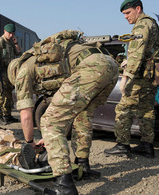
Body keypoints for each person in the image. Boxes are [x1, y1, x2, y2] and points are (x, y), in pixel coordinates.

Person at [8, 30, 119, 194]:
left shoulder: (23, 70)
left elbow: (26, 114)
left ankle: (64, 185)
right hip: (110, 65)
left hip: (91, 67)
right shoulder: (41, 61)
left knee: (49, 121)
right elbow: (66, 106)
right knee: (82, 115)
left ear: (14, 73)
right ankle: (83, 166)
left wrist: (30, 142)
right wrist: (49, 139)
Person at [104, 0, 159, 159]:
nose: (125, 17)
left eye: (128, 13)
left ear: (138, 9)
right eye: (124, 14)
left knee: (123, 109)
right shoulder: (152, 24)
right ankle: (146, 146)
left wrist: (125, 77)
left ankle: (122, 145)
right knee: (146, 112)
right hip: (150, 78)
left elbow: (137, 54)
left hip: (139, 79)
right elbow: (146, 52)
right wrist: (128, 59)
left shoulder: (142, 25)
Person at [0, 23, 22, 125]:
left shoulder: (11, 43)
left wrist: (16, 43)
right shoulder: (0, 42)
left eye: (13, 33)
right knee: (0, 95)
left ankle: (7, 115)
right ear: (4, 31)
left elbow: (19, 53)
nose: (11, 35)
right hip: (0, 72)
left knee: (8, 95)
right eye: (9, 33)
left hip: (9, 74)